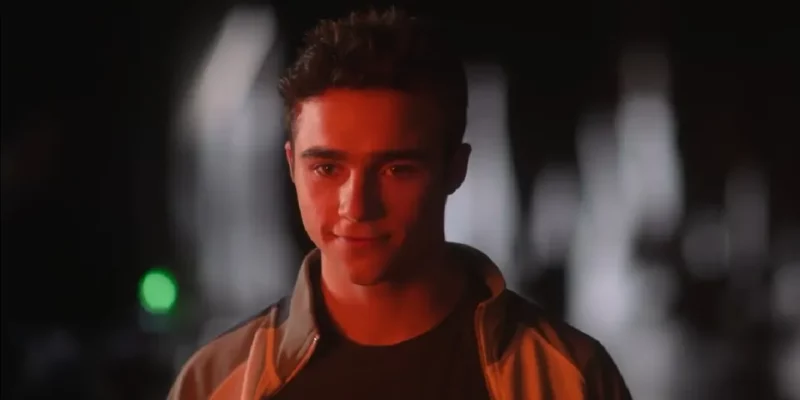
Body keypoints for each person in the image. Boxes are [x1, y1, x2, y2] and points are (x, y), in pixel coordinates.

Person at [168, 8, 632, 400]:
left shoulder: (569, 378)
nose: (357, 206)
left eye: (396, 169)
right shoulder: (216, 383)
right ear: (292, 166)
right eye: (327, 168)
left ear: (455, 169)